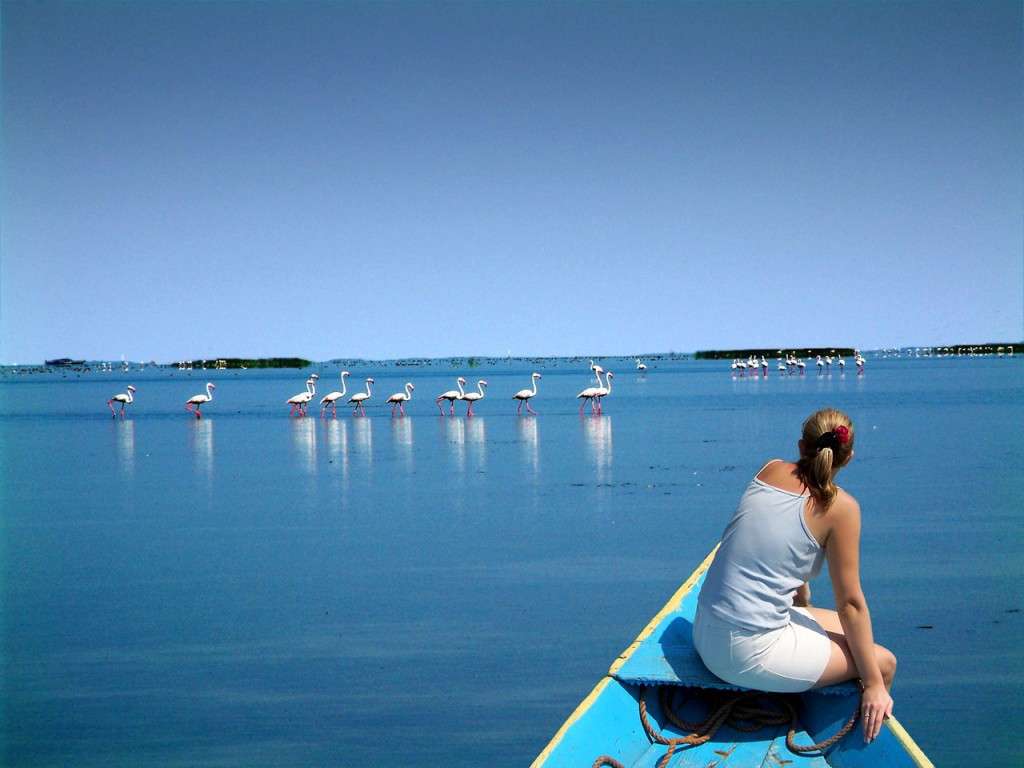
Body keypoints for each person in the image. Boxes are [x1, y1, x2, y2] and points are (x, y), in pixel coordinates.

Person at [693, 408, 896, 744]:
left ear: (802, 446)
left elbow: (777, 542)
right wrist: (874, 683)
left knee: (853, 639)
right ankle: (852, 747)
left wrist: (800, 600)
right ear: (849, 457)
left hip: (704, 632)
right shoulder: (842, 509)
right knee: (882, 661)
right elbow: (851, 605)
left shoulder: (769, 470)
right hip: (744, 654)